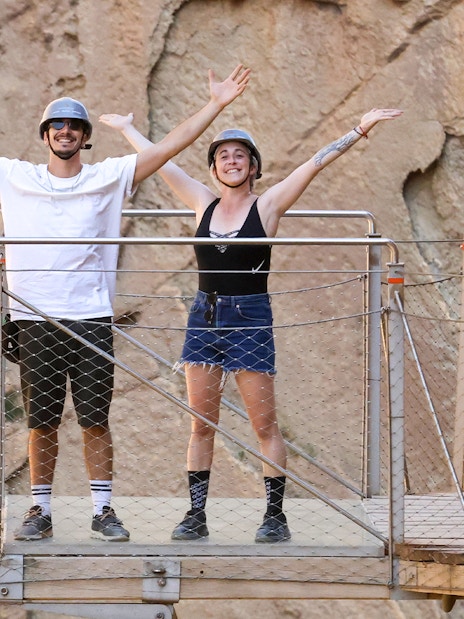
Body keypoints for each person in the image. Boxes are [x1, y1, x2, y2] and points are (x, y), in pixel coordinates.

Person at [101, 106, 402, 543]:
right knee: (201, 424)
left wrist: (359, 129)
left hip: (249, 319)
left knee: (264, 426)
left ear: (253, 166)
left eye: (240, 155)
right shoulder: (202, 202)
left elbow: (314, 162)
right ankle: (196, 515)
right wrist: (128, 129)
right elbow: (162, 161)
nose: (231, 160)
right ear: (214, 167)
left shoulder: (269, 205)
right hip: (204, 318)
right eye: (223, 155)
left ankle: (275, 516)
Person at [0, 64, 251, 542]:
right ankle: (39, 511)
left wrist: (217, 104)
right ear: (45, 134)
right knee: (41, 423)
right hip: (34, 316)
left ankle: (102, 510)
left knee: (95, 419)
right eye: (58, 125)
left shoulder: (110, 175)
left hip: (92, 314)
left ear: (85, 136)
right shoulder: (14, 175)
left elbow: (169, 147)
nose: (66, 131)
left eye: (74, 126)